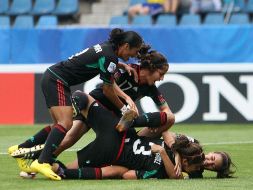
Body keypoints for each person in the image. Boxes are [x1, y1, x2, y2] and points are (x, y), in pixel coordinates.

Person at [8, 28, 143, 181]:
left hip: (52, 77)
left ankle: (21, 149)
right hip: (57, 80)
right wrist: (124, 108)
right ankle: (43, 162)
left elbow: (101, 63)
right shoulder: (110, 56)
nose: (133, 56)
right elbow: (107, 89)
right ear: (125, 46)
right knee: (66, 123)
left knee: (57, 127)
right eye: (134, 51)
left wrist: (120, 65)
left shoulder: (107, 48)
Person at [14, 91, 204, 180]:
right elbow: (165, 128)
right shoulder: (172, 158)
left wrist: (164, 152)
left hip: (118, 135)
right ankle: (45, 164)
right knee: (71, 159)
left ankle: (41, 158)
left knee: (81, 100)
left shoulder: (164, 171)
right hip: (117, 141)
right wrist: (169, 151)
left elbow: (128, 174)